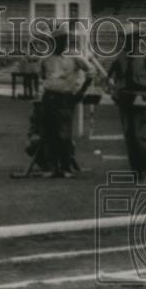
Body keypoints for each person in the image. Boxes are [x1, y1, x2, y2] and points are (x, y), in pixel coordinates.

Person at [39, 26, 94, 177]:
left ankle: (65, 167)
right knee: (49, 132)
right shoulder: (46, 58)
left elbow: (91, 71)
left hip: (65, 99)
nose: (59, 43)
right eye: (55, 41)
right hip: (49, 98)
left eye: (62, 40)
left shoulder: (75, 56)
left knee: (64, 134)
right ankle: (51, 167)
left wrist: (81, 91)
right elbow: (43, 76)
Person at [108, 28, 146, 179]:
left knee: (142, 135)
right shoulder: (120, 57)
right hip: (125, 98)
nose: (131, 41)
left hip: (141, 96)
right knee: (129, 134)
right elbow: (111, 77)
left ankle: (145, 168)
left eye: (134, 38)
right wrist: (114, 91)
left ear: (138, 40)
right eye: (128, 38)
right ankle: (135, 168)